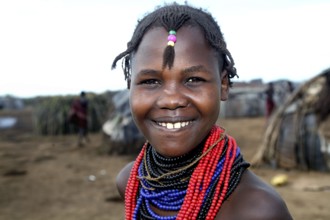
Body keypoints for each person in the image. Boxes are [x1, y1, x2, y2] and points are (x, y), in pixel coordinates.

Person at [111, 3, 293, 219]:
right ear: (130, 86)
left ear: (223, 85)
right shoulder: (131, 183)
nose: (171, 100)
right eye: (150, 81)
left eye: (193, 79)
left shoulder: (258, 210)